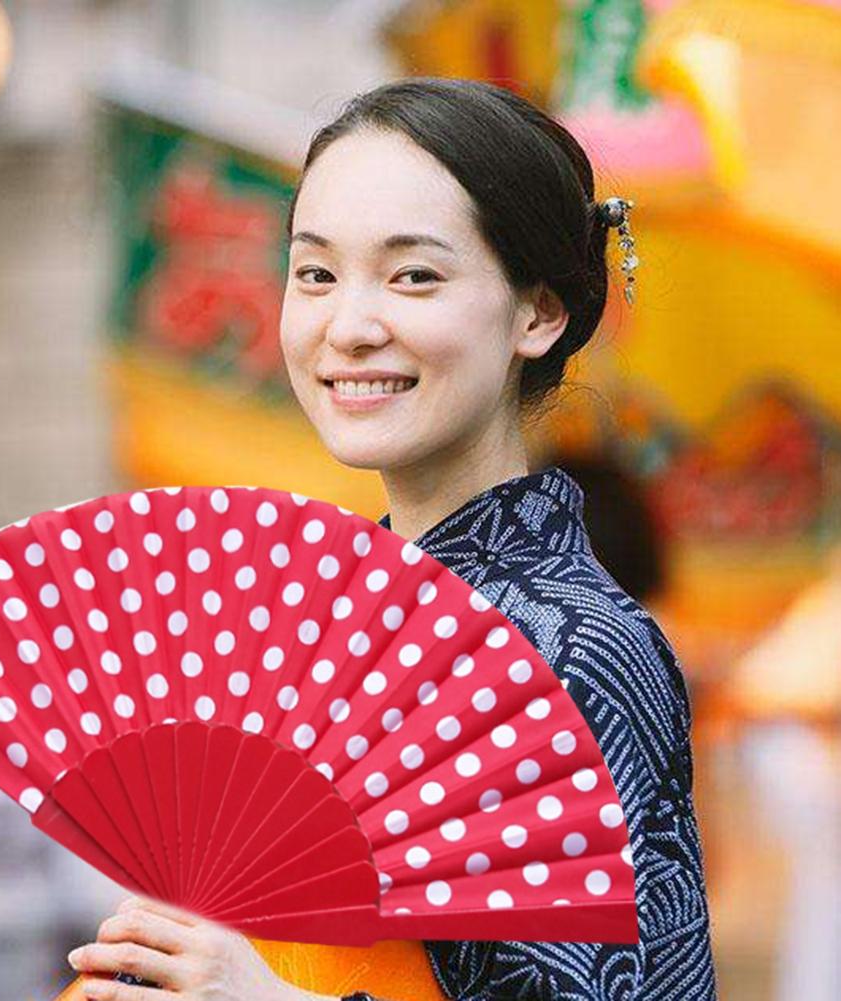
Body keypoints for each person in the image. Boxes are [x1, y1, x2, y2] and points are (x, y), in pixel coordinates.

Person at [67, 76, 717, 1000]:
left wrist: (262, 996)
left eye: (413, 274)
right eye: (315, 273)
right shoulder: (325, 632)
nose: (349, 325)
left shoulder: (576, 648)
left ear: (538, 312)